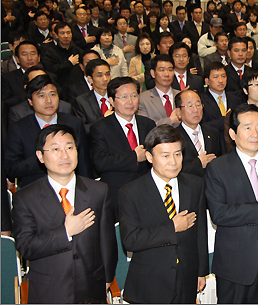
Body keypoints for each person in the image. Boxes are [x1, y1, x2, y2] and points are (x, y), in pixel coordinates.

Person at [11, 124, 117, 303]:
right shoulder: (25, 198)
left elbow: (107, 241)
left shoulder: (98, 191)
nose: (64, 155)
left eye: (69, 147)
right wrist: (65, 232)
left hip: (92, 289)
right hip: (50, 291)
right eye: (55, 149)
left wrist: (107, 278)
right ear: (40, 156)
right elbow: (26, 247)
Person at [206, 103, 258, 303]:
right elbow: (218, 214)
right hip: (234, 260)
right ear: (232, 134)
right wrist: (257, 209)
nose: (255, 133)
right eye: (247, 127)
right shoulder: (217, 168)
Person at [118, 124, 208, 303]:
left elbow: (200, 232)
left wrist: (201, 271)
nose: (173, 162)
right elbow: (130, 240)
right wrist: (172, 227)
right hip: (150, 282)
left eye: (177, 154)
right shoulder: (130, 192)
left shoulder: (195, 184)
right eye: (165, 155)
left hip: (186, 279)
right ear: (150, 157)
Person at [5, 75, 92, 188]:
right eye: (41, 96)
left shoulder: (74, 123)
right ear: (30, 101)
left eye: (52, 95)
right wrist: (45, 158)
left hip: (71, 188)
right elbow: (11, 168)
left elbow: (84, 162)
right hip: (34, 191)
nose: (48, 101)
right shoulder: (18, 129)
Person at [89, 76, 156, 219]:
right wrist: (133, 157)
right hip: (118, 193)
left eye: (134, 96)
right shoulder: (100, 127)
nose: (130, 101)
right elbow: (100, 161)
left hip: (147, 190)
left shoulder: (148, 124)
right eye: (124, 97)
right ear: (111, 101)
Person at [174, 89, 221, 177]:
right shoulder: (174, 137)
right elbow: (173, 168)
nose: (195, 110)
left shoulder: (213, 132)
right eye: (190, 106)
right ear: (178, 112)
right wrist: (198, 164)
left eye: (198, 105)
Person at [200, 61, 242, 150]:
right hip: (214, 146)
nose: (220, 80)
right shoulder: (200, 101)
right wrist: (226, 119)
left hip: (234, 146)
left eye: (223, 76)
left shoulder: (236, 99)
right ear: (207, 81)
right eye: (215, 77)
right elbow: (203, 126)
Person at [138, 54, 181, 126]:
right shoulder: (143, 99)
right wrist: (170, 120)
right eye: (162, 70)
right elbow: (144, 127)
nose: (167, 74)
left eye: (170, 70)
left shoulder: (181, 96)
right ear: (153, 73)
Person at [73, 59, 111, 133]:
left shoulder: (118, 97)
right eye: (99, 75)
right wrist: (104, 119)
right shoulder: (81, 102)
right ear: (90, 79)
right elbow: (82, 129)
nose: (105, 79)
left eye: (107, 74)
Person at [42, 22, 83, 88]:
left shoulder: (79, 51)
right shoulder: (50, 53)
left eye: (68, 33)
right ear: (56, 35)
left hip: (78, 88)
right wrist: (69, 63)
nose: (66, 36)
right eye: (62, 33)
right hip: (60, 87)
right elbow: (51, 70)